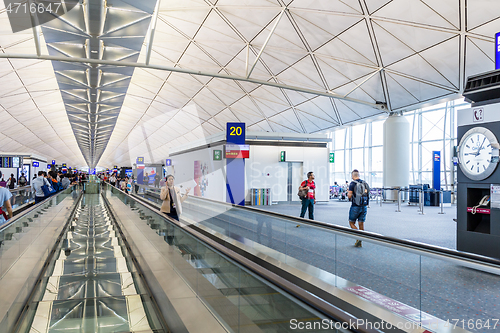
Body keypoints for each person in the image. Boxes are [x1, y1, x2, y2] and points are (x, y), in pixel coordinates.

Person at [347, 169, 370, 248]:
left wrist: (348, 193)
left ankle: (358, 237)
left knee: (351, 223)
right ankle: (360, 241)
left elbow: (349, 195)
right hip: (364, 206)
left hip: (355, 206)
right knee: (361, 223)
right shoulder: (364, 183)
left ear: (353, 176)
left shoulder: (352, 184)